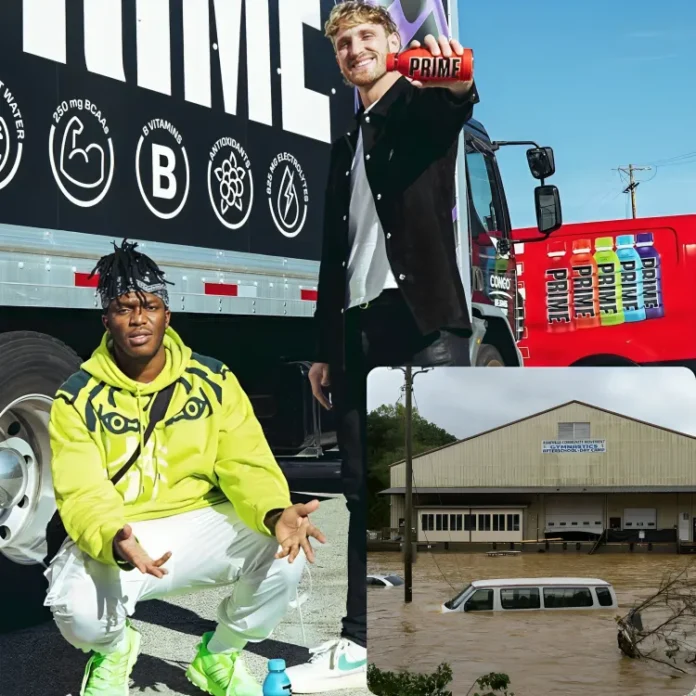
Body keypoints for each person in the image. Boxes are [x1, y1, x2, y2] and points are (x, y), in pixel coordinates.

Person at [291, 2, 479, 692]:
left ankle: (433, 634)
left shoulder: (419, 105)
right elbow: (332, 254)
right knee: (359, 491)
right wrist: (323, 348)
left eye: (366, 37)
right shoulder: (348, 136)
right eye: (342, 42)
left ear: (392, 44)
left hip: (422, 326)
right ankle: (359, 643)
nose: (353, 49)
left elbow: (456, 103)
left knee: (421, 489)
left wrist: (454, 80)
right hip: (359, 330)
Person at [44, 240, 325, 696]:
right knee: (76, 612)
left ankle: (218, 656)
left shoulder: (212, 379)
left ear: (167, 315)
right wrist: (114, 536)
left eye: (149, 306)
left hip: (203, 524)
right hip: (127, 533)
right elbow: (80, 486)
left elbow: (245, 462)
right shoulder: (76, 397)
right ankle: (115, 651)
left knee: (284, 554)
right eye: (123, 308)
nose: (138, 319)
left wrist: (275, 512)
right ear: (105, 320)